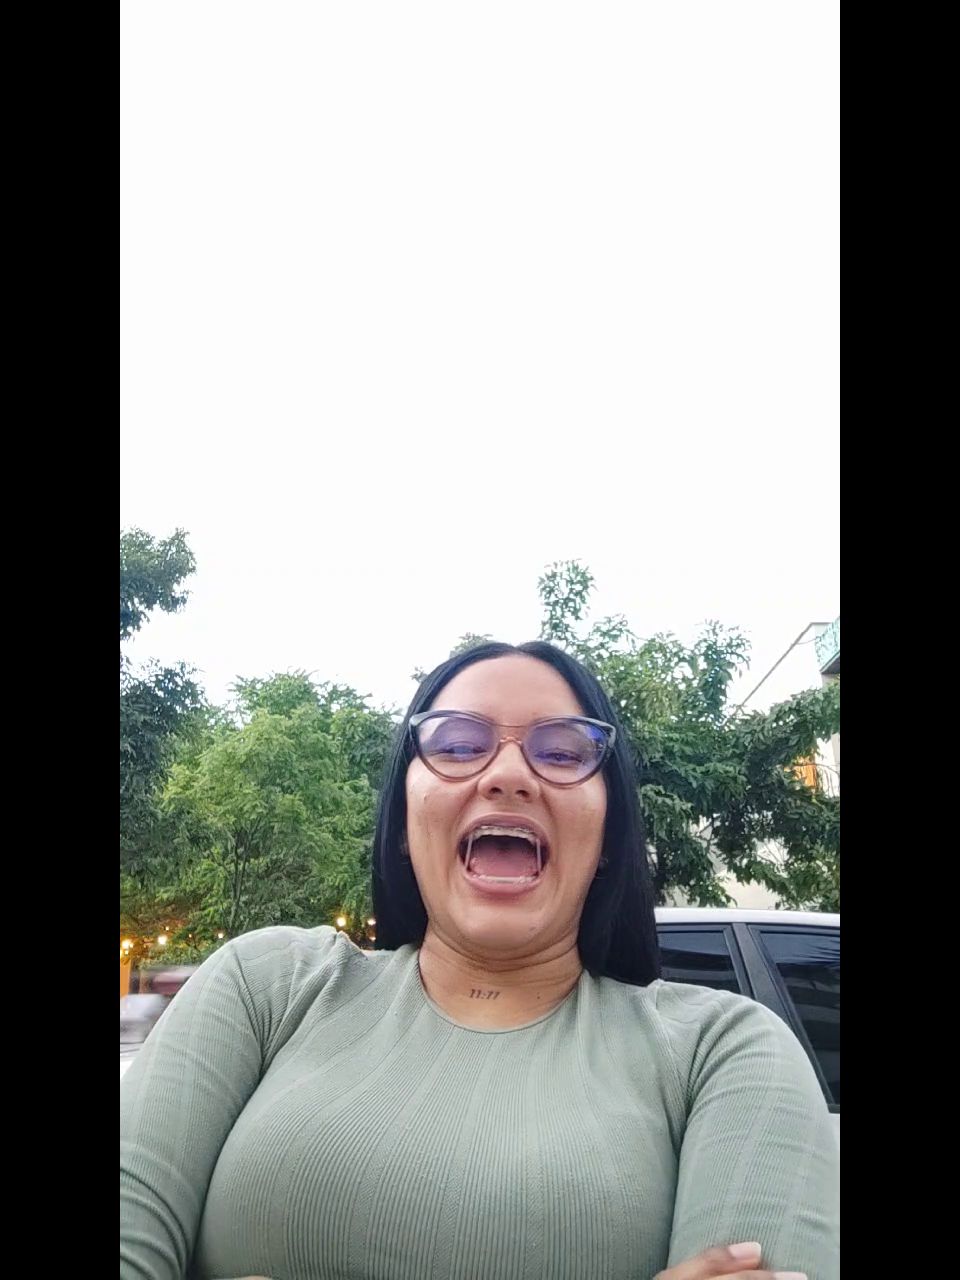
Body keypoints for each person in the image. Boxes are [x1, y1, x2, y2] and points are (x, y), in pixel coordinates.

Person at [120, 641, 839, 1280]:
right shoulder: (266, 986)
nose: (508, 774)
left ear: (608, 834)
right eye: (459, 745)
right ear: (404, 823)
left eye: (563, 753)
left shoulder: (725, 1051)